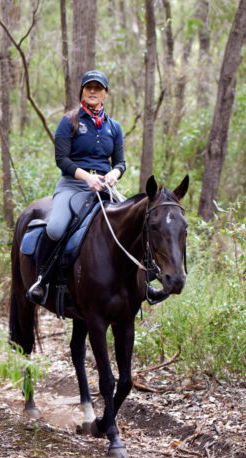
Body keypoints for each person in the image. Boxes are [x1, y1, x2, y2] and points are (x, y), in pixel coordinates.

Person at [27, 70, 164, 305]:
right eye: (89, 87)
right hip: (72, 185)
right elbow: (62, 160)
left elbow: (120, 162)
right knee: (56, 228)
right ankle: (42, 280)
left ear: (105, 94)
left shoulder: (114, 127)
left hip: (104, 188)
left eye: (98, 88)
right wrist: (86, 177)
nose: (93, 92)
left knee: (137, 224)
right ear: (82, 91)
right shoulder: (69, 121)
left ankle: (146, 282)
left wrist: (113, 173)